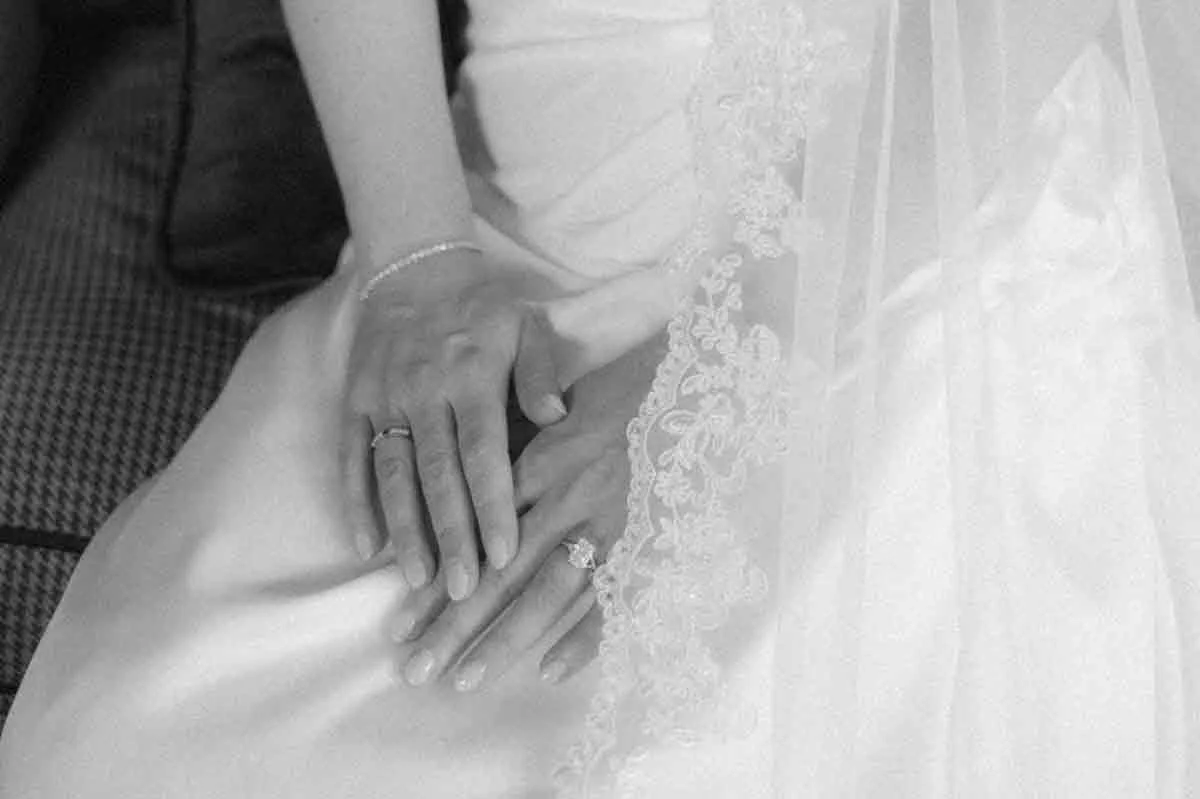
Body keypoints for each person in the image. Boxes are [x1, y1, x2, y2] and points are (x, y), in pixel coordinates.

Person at [3, 0, 1200, 796]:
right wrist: (419, 263)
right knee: (141, 745)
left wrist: (710, 379)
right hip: (500, 225)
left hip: (906, 215)